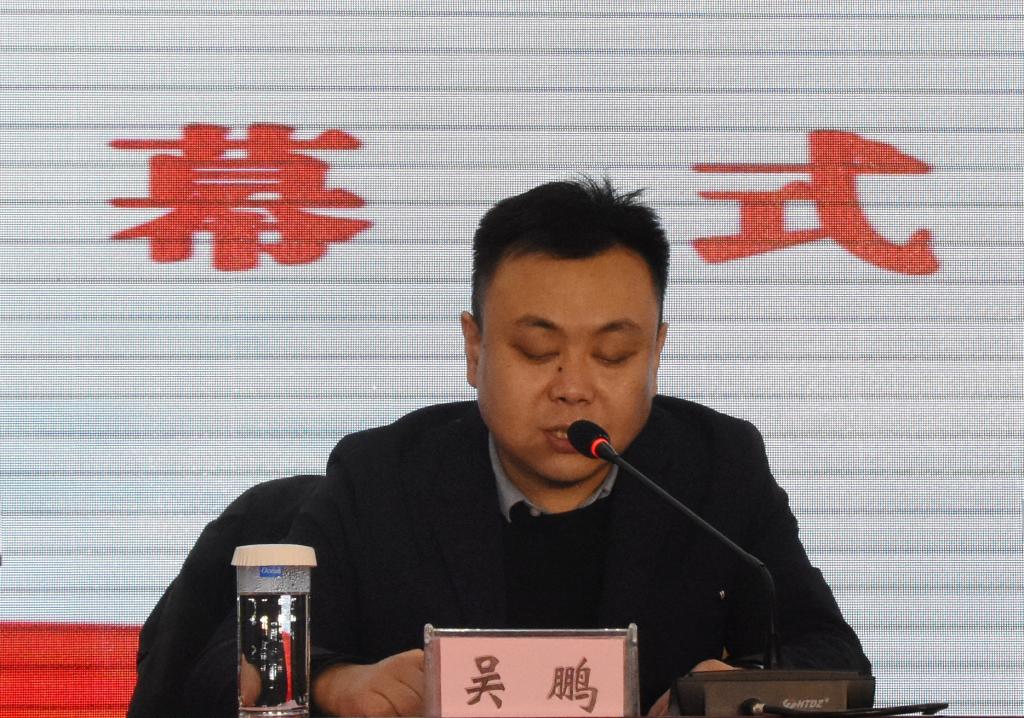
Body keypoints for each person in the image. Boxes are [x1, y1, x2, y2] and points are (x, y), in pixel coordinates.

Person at [286, 177, 870, 716]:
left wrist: (735, 694)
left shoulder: (718, 466)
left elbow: (834, 662)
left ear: (656, 353)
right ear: (474, 348)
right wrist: (334, 682)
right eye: (537, 351)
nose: (573, 388)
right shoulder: (380, 475)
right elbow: (248, 648)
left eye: (613, 356)